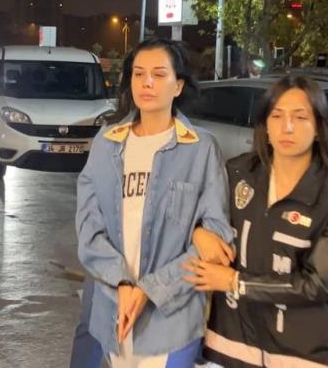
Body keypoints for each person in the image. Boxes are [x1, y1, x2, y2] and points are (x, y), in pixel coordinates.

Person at [184, 75, 328, 368]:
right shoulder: (237, 174)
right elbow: (188, 213)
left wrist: (234, 282)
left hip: (308, 354)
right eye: (277, 116)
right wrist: (198, 231)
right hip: (231, 345)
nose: (287, 127)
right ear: (265, 126)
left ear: (319, 128)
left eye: (300, 117)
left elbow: (317, 285)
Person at [75, 38, 233, 367]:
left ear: (178, 86)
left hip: (173, 319)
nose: (147, 82)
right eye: (139, 74)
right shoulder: (106, 143)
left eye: (159, 74)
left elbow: (216, 235)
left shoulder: (201, 149)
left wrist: (149, 289)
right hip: (115, 309)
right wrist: (122, 282)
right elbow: (89, 228)